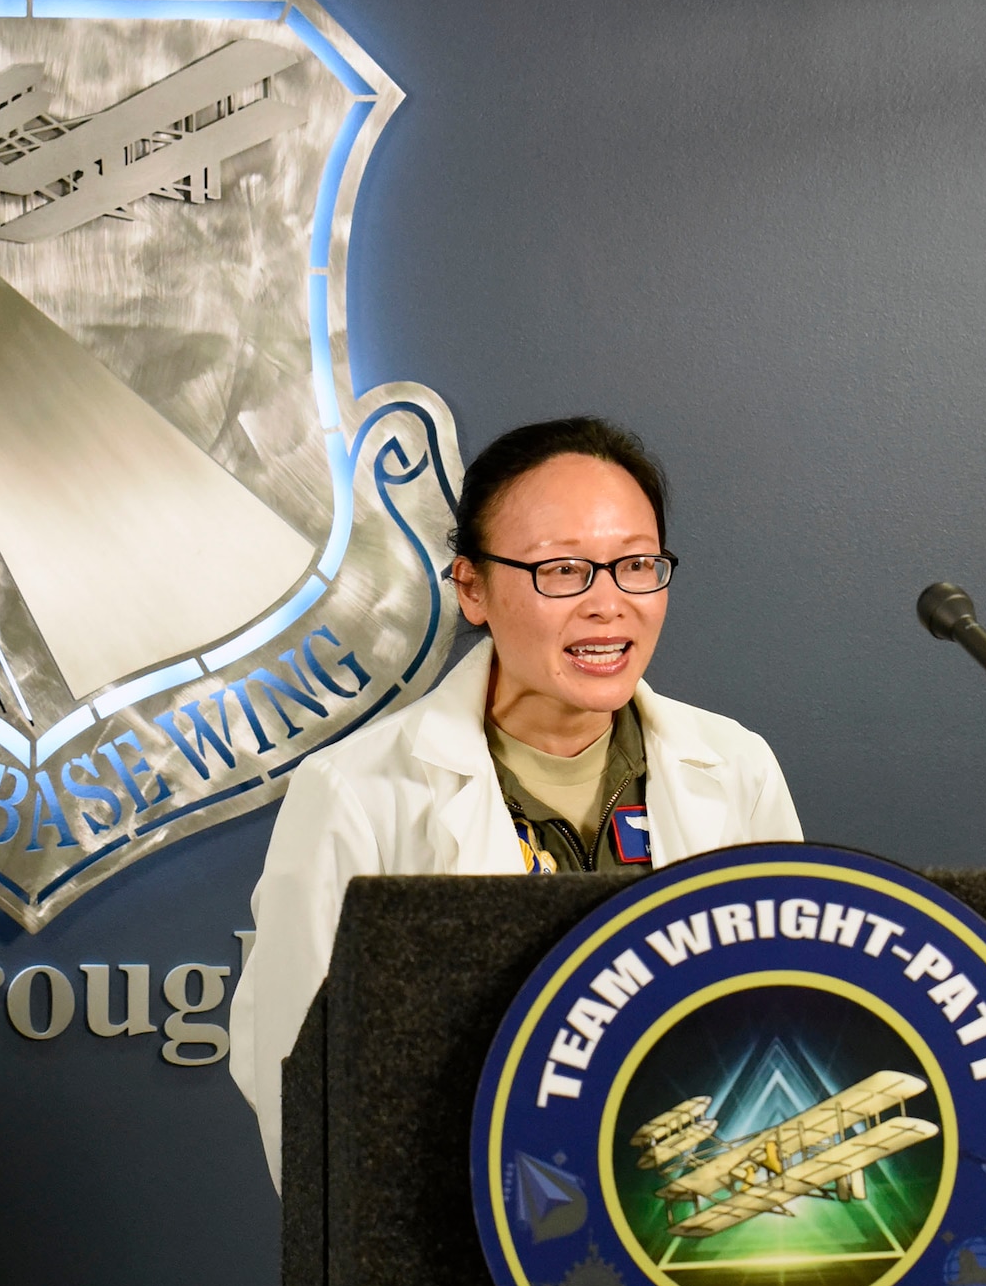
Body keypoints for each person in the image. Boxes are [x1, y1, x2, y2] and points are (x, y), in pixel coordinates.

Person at [228, 417, 800, 1188]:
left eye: (636, 564)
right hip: (457, 1231)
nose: (609, 604)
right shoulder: (357, 793)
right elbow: (296, 1075)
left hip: (690, 1233)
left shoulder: (736, 769)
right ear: (472, 587)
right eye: (563, 571)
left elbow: (783, 1024)